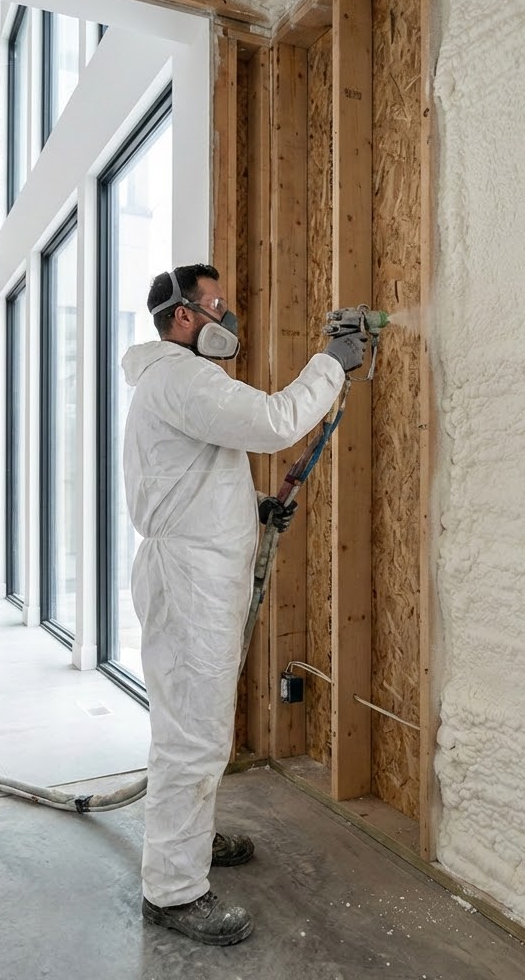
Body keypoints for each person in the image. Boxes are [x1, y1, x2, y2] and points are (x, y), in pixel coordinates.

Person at [121, 263, 367, 946]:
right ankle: (172, 891)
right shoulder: (181, 376)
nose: (227, 319)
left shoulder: (176, 384)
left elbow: (199, 470)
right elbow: (273, 422)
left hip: (197, 573)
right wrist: (332, 362)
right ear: (182, 318)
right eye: (217, 306)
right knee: (192, 735)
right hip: (191, 582)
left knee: (197, 724)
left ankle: (187, 846)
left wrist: (249, 508)